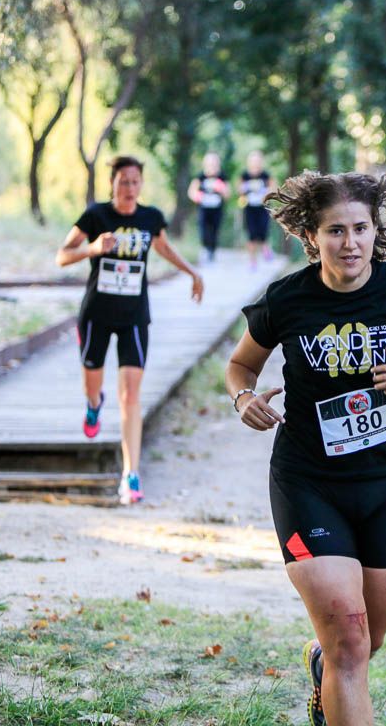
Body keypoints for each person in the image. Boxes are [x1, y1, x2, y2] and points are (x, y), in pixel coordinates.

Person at [225, 171, 386, 725]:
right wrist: (243, 396)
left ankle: (324, 668)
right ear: (312, 237)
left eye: (360, 228)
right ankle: (334, 664)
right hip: (307, 482)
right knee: (350, 639)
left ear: (375, 231)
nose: (350, 242)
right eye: (335, 230)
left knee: (368, 641)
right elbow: (240, 364)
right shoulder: (288, 298)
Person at [57, 156, 204, 505]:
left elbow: (164, 247)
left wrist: (192, 273)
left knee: (131, 396)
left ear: (141, 185)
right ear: (113, 183)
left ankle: (130, 475)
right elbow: (62, 255)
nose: (129, 187)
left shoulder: (150, 218)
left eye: (135, 181)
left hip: (134, 315)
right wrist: (93, 248)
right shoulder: (95, 216)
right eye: (123, 181)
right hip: (96, 313)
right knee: (93, 382)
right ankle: (94, 404)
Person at [186, 151, 229, 264]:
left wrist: (221, 189)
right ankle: (205, 248)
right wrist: (197, 196)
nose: (212, 165)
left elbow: (228, 194)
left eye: (214, 162)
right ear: (205, 163)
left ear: (218, 163)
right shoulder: (200, 176)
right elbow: (191, 192)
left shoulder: (222, 176)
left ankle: (212, 251)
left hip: (217, 209)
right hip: (203, 209)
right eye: (210, 162)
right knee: (203, 230)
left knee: (214, 230)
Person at [237, 149, 275, 269]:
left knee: (263, 231)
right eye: (253, 161)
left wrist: (266, 193)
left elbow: (273, 188)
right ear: (249, 162)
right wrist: (243, 190)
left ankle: (266, 250)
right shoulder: (245, 175)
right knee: (251, 234)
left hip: (263, 208)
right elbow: (239, 190)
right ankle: (252, 261)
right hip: (249, 208)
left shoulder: (265, 175)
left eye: (258, 160)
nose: (255, 163)